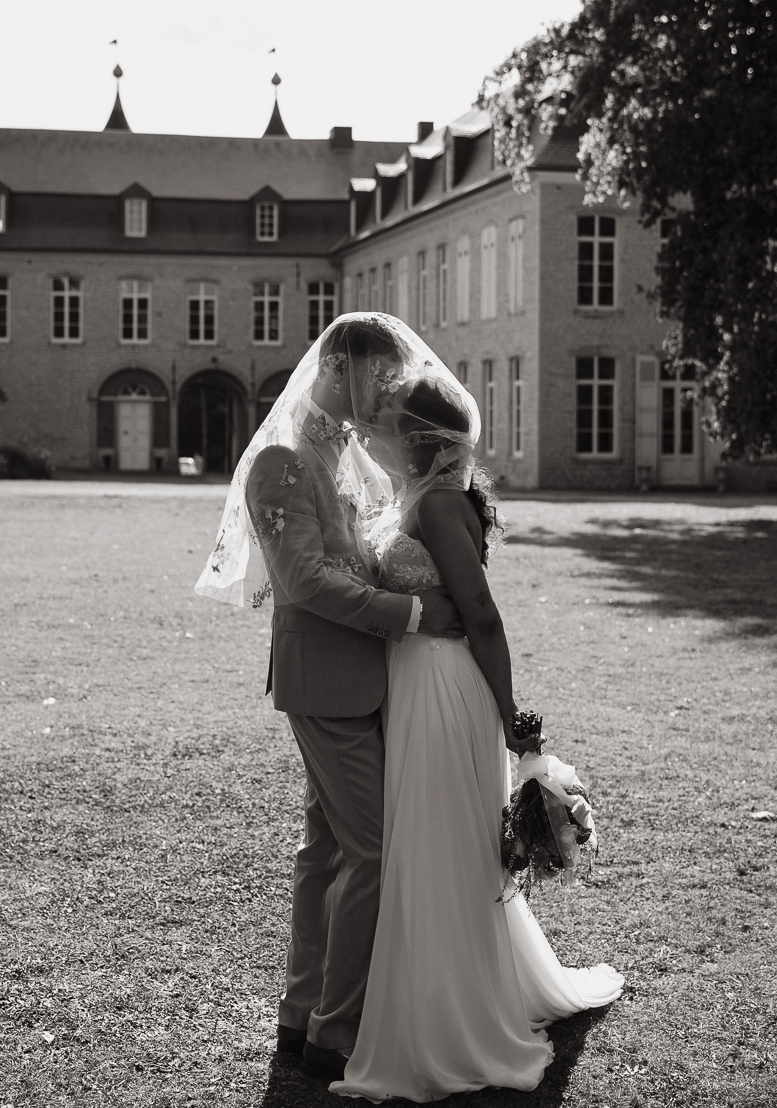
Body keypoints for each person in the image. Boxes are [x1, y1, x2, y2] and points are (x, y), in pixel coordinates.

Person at [328, 339, 624, 1103]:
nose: (380, 431)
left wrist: (509, 714)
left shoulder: (436, 503)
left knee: (440, 843)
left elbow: (483, 616)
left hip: (447, 691)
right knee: (432, 838)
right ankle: (446, 992)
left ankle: (450, 1016)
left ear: (422, 439)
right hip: (415, 681)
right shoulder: (422, 497)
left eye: (392, 423)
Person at [194, 315, 484, 1081]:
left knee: (325, 850)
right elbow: (304, 582)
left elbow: (359, 553)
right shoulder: (283, 460)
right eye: (375, 380)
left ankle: (301, 1012)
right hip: (324, 681)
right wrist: (415, 613)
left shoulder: (337, 452)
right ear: (337, 365)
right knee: (373, 849)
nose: (380, 398)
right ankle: (335, 1025)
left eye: (388, 385)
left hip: (360, 675)